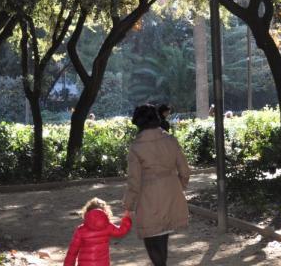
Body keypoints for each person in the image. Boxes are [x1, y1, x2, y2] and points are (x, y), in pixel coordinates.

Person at [124, 104, 191, 266]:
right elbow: (185, 170)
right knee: (163, 236)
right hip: (171, 190)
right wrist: (179, 187)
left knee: (151, 236)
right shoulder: (170, 140)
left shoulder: (136, 147)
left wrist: (128, 204)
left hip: (148, 196)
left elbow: (134, 180)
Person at [64, 197, 132, 266]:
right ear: (105, 212)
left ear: (87, 212)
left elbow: (72, 252)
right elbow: (121, 231)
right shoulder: (107, 226)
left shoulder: (81, 230)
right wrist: (126, 218)